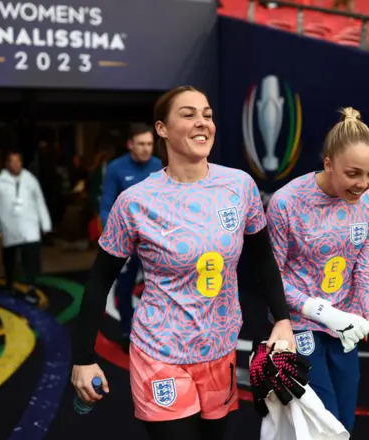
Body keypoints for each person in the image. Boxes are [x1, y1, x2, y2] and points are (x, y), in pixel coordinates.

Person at [70, 86, 297, 440]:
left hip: (220, 351)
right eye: (188, 114)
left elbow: (262, 259)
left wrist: (281, 320)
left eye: (207, 114)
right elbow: (100, 281)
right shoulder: (135, 202)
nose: (202, 122)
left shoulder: (240, 186)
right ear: (161, 128)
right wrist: (83, 357)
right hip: (160, 352)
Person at [265, 107, 369, 433]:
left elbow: (366, 271)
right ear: (328, 164)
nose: (363, 184)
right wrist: (321, 310)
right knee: (323, 422)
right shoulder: (286, 203)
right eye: (353, 174)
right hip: (300, 324)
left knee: (344, 421)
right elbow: (271, 277)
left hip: (346, 326)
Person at [99, 123, 163, 351]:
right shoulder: (116, 168)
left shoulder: (158, 165)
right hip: (127, 241)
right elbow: (106, 207)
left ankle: (156, 333)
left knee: (160, 289)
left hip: (154, 241)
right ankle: (128, 330)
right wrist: (118, 238)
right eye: (141, 144)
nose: (146, 149)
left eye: (149, 144)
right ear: (130, 145)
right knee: (124, 289)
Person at [0, 150, 52, 306]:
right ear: (7, 164)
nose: (16, 165)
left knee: (31, 259)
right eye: (12, 161)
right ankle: (9, 285)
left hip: (30, 226)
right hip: (10, 227)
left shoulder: (30, 180)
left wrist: (45, 223)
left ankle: (31, 287)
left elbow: (39, 201)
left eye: (18, 161)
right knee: (9, 259)